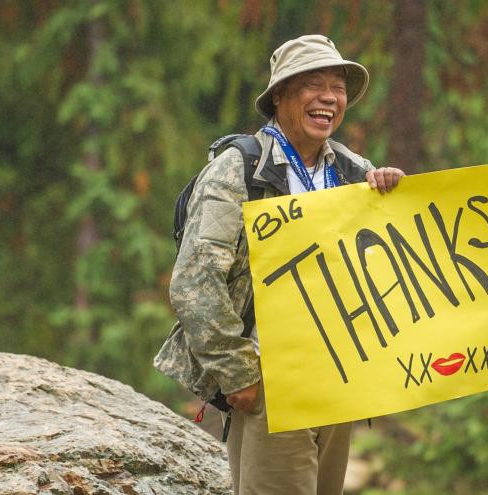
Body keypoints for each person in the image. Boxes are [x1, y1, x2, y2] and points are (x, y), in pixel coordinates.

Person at [154, 34, 405, 495]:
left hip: (340, 374)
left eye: (338, 86)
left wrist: (394, 192)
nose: (329, 97)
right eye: (313, 84)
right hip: (272, 378)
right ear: (279, 97)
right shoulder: (238, 170)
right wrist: (237, 372)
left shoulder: (352, 171)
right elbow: (194, 281)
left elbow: (392, 263)